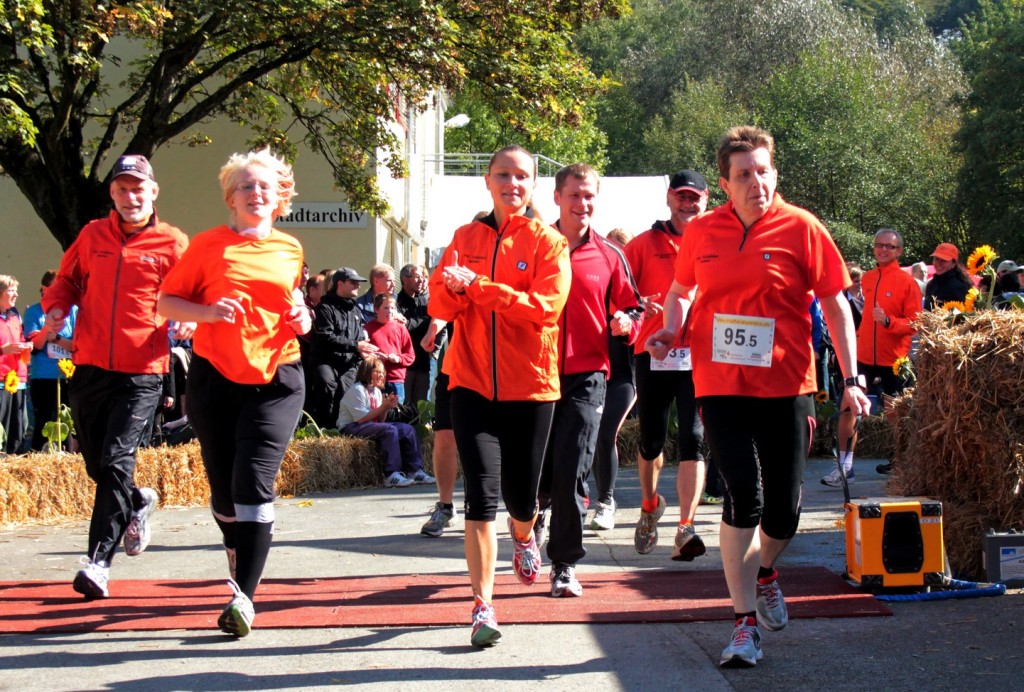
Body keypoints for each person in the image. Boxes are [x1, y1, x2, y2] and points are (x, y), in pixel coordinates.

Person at [648, 126, 870, 668]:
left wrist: (853, 377)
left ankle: (766, 570)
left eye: (763, 171)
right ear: (726, 182)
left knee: (784, 511)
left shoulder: (803, 228)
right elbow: (680, 293)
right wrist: (672, 330)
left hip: (787, 383)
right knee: (741, 496)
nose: (756, 182)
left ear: (775, 174)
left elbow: (837, 307)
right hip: (720, 383)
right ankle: (743, 622)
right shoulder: (703, 231)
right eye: (744, 174)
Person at [157, 148, 311, 637]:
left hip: (277, 377)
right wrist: (206, 313)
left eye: (264, 186)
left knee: (253, 482)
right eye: (246, 186)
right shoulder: (206, 246)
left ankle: (244, 598)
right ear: (231, 195)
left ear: (279, 195)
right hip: (214, 378)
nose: (256, 193)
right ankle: (237, 543)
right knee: (224, 493)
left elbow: (294, 305)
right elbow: (165, 301)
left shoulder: (290, 248)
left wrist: (303, 318)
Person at [428, 145, 571, 647]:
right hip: (470, 383)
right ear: (487, 181)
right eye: (503, 175)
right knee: (481, 497)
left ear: (533, 185)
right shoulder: (464, 237)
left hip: (530, 388)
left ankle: (526, 535)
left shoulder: (549, 243)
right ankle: (483, 605)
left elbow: (544, 309)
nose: (512, 184)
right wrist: (456, 289)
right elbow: (439, 299)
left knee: (521, 496)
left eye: (522, 176)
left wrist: (481, 288)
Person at [43, 154, 192, 600]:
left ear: (154, 192)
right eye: (123, 189)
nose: (131, 197)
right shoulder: (92, 235)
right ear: (113, 194)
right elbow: (67, 280)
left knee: (115, 461)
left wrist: (191, 320)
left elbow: (193, 291)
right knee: (96, 464)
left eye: (138, 188)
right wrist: (55, 308)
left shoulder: (171, 242)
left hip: (141, 371)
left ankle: (97, 563)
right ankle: (138, 500)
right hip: (90, 365)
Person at [537, 164, 641, 598]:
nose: (582, 204)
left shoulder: (610, 255)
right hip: (534, 375)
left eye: (589, 196)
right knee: (536, 473)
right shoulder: (533, 245)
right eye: (574, 195)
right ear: (558, 198)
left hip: (587, 375)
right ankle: (532, 518)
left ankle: (564, 564)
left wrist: (625, 324)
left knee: (572, 468)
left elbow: (633, 309)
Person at [623, 169, 710, 562]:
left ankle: (685, 526)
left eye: (695, 197)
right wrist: (639, 309)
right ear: (669, 198)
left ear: (707, 199)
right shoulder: (642, 244)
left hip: (701, 355)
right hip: (654, 352)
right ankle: (648, 504)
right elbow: (621, 299)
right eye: (682, 196)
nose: (688, 204)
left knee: (693, 437)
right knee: (651, 441)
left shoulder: (717, 241)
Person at [823, 229, 920, 484]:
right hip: (864, 355)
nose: (883, 250)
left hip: (894, 359)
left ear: (899, 251)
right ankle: (844, 467)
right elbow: (860, 318)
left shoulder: (907, 282)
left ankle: (903, 466)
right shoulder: (867, 278)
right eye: (879, 245)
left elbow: (916, 323)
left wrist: (889, 322)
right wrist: (845, 348)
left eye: (889, 246)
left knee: (895, 413)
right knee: (847, 407)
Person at [590, 228, 641, 529]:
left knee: (604, 433)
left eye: (621, 253)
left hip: (624, 377)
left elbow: (643, 319)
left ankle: (605, 501)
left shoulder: (632, 297)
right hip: (593, 376)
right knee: (585, 436)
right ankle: (581, 495)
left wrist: (632, 321)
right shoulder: (595, 290)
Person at [337, 355, 434, 488]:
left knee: (408, 430)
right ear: (366, 372)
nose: (381, 375)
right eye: (377, 372)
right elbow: (361, 419)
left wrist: (386, 408)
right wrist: (384, 407)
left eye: (383, 373)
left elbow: (380, 420)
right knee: (390, 430)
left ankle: (414, 470)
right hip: (351, 426)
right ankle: (391, 474)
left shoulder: (376, 391)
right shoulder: (357, 390)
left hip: (370, 424)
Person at [309, 267, 378, 428]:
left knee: (347, 395)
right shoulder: (324, 308)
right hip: (325, 361)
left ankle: (340, 431)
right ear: (340, 283)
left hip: (348, 364)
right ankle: (324, 431)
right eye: (353, 282)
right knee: (326, 387)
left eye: (358, 283)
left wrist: (365, 350)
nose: (357, 286)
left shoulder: (355, 310)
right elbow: (325, 336)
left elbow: (359, 336)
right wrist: (356, 346)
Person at [24, 270, 78, 451]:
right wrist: (47, 329)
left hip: (69, 375)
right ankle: (39, 455)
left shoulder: (74, 311)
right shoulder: (34, 312)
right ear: (44, 289)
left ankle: (68, 457)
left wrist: (55, 338)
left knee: (68, 422)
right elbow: (36, 345)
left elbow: (77, 345)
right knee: (44, 421)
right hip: (44, 376)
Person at [419, 317, 459, 537]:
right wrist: (433, 329)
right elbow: (444, 305)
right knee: (443, 437)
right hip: (453, 371)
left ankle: (522, 514)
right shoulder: (452, 281)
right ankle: (445, 507)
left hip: (493, 370)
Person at [397, 264, 442, 406]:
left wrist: (435, 350)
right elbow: (401, 328)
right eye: (417, 277)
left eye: (423, 277)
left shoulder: (428, 301)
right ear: (405, 279)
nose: (421, 280)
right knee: (404, 403)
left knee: (422, 404)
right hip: (405, 363)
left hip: (424, 361)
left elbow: (441, 324)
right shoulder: (396, 302)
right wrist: (426, 320)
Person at [0, 275, 32, 454]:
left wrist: (26, 344)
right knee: (1, 426)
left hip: (18, 377)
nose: (16, 294)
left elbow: (20, 338)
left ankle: (13, 460)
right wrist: (3, 350)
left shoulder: (15, 315)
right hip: (1, 378)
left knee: (19, 425)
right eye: (11, 290)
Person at [365, 293, 415, 401]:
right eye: (386, 308)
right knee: (376, 413)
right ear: (376, 309)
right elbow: (362, 353)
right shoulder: (367, 329)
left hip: (395, 380)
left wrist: (398, 358)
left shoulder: (401, 328)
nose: (390, 311)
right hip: (375, 379)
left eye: (392, 308)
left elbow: (410, 355)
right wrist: (374, 357)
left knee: (395, 413)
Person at [924, 243, 972, 310]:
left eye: (944, 260)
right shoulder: (931, 284)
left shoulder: (959, 287)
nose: (939, 263)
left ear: (954, 263)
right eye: (936, 259)